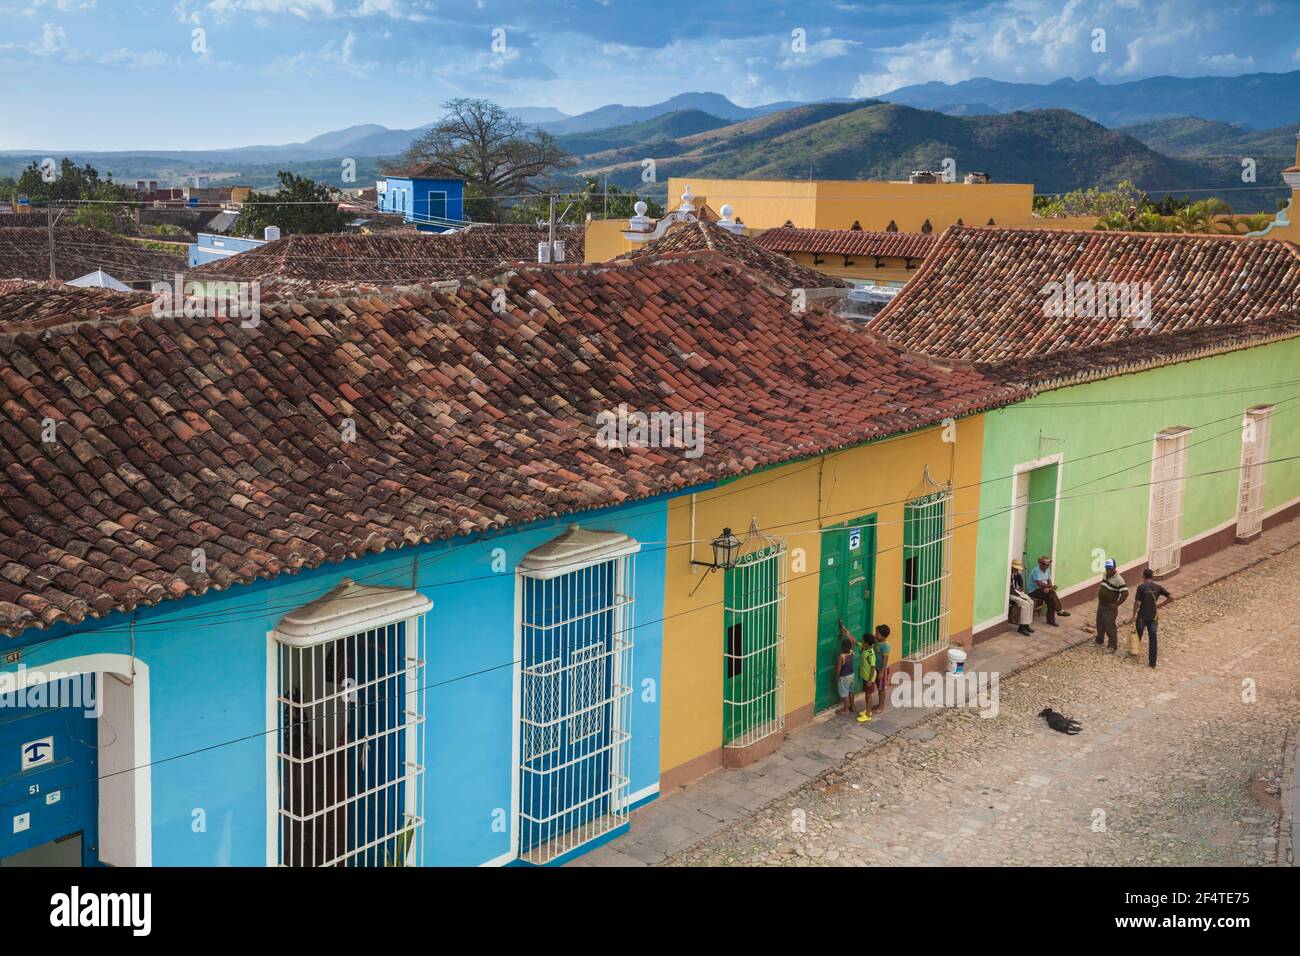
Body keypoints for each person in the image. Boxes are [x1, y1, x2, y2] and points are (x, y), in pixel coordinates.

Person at [1131, 568, 1172, 668]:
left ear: (1143, 576)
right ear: (1152, 576)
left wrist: (1133, 615)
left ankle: (1135, 652)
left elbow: (1137, 602)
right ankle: (1152, 662)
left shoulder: (1141, 587)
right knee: (1153, 638)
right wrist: (1159, 605)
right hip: (1153, 617)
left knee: (1138, 635)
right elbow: (1171, 597)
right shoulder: (1158, 587)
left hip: (1142, 616)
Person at [1095, 558, 1129, 651]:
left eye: (1110, 569)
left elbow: (1125, 593)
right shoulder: (1105, 574)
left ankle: (1112, 645)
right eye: (1107, 568)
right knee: (1099, 622)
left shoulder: (1119, 579)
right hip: (1101, 604)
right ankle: (1099, 639)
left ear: (1114, 568)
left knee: (1109, 625)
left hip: (1110, 606)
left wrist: (1116, 604)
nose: (1108, 570)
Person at [1028, 555, 1070, 626]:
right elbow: (1039, 583)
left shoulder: (1048, 570)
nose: (1046, 566)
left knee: (1051, 598)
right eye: (1044, 564)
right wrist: (1050, 587)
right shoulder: (1036, 570)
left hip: (1043, 589)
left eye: (1047, 564)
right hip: (1034, 590)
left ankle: (1051, 619)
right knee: (1052, 594)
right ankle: (1058, 611)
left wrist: (1049, 587)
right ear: (1040, 563)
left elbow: (1048, 580)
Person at [1009, 560, 1035, 635]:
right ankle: (1021, 627)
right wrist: (1020, 596)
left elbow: (1020, 581)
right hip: (1010, 593)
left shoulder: (1016, 574)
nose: (1017, 570)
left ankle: (1027, 624)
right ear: (1012, 567)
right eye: (1016, 568)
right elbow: (1010, 589)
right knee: (1025, 604)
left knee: (1031, 602)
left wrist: (1021, 588)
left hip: (1016, 592)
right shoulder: (1009, 574)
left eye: (1018, 569)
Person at [871, 624, 892, 716]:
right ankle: (879, 704)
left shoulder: (886, 646)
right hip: (875, 668)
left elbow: (885, 660)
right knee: (878, 687)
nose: (875, 634)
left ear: (883, 636)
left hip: (881, 670)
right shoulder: (876, 642)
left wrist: (881, 672)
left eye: (878, 633)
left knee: (881, 688)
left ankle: (881, 706)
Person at [836, 636, 857, 715]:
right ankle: (852, 706)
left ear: (842, 647)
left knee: (845, 694)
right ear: (850, 647)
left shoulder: (841, 657)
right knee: (851, 692)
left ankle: (846, 710)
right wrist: (848, 634)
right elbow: (853, 645)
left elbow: (838, 669)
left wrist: (837, 676)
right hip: (852, 675)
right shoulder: (851, 653)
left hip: (844, 677)